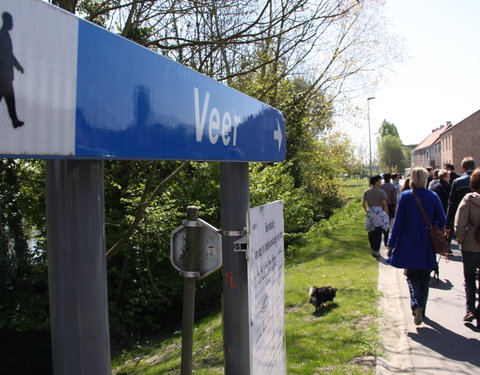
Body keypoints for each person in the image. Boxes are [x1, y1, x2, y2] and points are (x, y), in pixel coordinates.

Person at [386, 167, 446, 325]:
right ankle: (422, 310)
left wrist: (391, 243)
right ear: (426, 179)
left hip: (409, 243)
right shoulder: (433, 196)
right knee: (425, 279)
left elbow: (398, 223)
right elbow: (442, 219)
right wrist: (435, 229)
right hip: (426, 243)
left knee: (412, 276)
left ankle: (416, 305)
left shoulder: (405, 196)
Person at [454, 168, 480, 324]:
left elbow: (460, 223)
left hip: (470, 244)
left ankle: (470, 309)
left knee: (469, 277)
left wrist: (461, 239)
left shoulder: (468, 200)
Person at [0, 12, 24, 128]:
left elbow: (9, 54)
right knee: (10, 96)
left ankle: (14, 120)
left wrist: (18, 66)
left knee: (9, 97)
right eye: (11, 21)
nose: (12, 24)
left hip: (4, 75)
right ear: (6, 21)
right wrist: (18, 66)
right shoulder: (3, 36)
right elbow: (8, 55)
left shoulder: (4, 35)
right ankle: (14, 120)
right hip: (3, 75)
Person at [445, 157, 476, 240]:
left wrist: (447, 224)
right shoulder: (477, 180)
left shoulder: (457, 182)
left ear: (462, 167)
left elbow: (451, 204)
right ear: (474, 167)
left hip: (462, 218)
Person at [363, 175, 389, 257]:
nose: (381, 183)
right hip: (378, 211)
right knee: (378, 231)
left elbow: (363, 204)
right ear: (376, 182)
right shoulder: (381, 192)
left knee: (371, 230)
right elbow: (384, 205)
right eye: (380, 181)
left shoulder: (367, 191)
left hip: (370, 211)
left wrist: (366, 210)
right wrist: (386, 215)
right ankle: (376, 250)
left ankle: (372, 247)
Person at [380, 173, 397, 244]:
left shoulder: (381, 186)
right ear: (390, 178)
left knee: (382, 220)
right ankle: (386, 237)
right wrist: (394, 204)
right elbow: (394, 197)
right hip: (390, 205)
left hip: (381, 205)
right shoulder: (392, 187)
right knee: (389, 220)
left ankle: (384, 234)